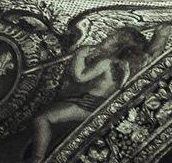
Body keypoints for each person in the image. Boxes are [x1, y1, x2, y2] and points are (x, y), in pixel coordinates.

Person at [24, 29, 151, 162]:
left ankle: (38, 158)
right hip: (98, 105)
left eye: (112, 37)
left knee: (42, 118)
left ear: (117, 45)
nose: (106, 38)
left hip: (87, 105)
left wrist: (80, 55)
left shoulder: (107, 62)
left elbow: (80, 76)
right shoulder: (125, 67)